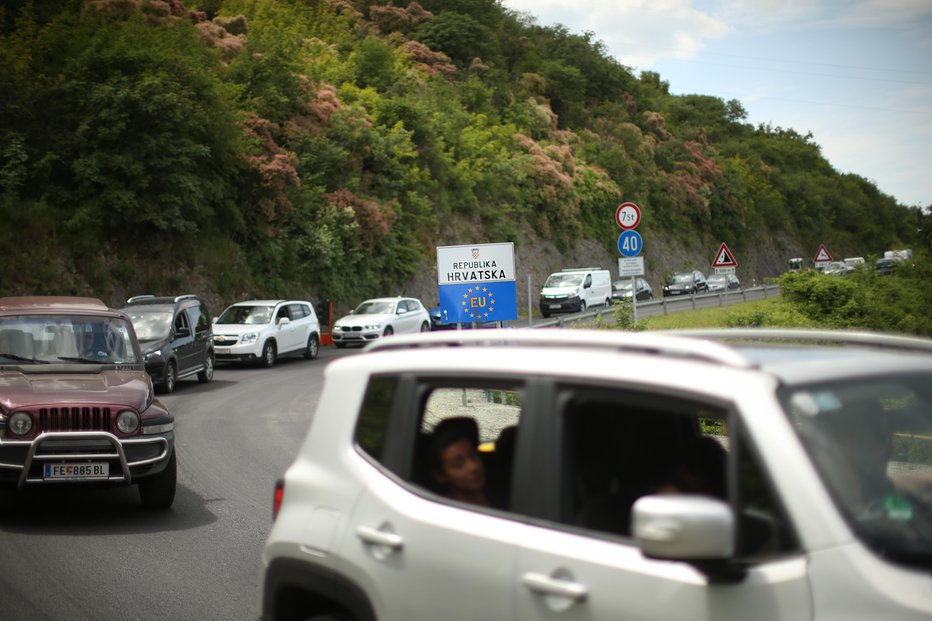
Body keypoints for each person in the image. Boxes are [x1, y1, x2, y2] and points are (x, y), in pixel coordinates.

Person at [426, 417, 494, 507]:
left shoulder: (501, 495)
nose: (473, 466)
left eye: (473, 455)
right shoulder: (443, 513)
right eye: (458, 465)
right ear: (440, 476)